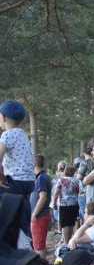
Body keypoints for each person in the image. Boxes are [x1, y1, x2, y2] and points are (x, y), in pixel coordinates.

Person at [0, 100, 35, 234]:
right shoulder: (22, 134)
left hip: (16, 182)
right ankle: (25, 236)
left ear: (3, 117)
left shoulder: (7, 135)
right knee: (22, 211)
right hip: (27, 183)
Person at [29, 154, 52, 260]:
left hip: (39, 216)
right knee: (39, 244)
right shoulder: (43, 176)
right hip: (42, 214)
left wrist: (34, 214)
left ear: (34, 163)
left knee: (38, 246)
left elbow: (43, 197)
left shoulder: (41, 178)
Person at [52, 164, 80, 244]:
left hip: (64, 204)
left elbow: (56, 193)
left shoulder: (61, 180)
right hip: (74, 204)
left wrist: (53, 202)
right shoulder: (76, 180)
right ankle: (69, 240)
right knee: (71, 223)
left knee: (64, 224)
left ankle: (66, 242)